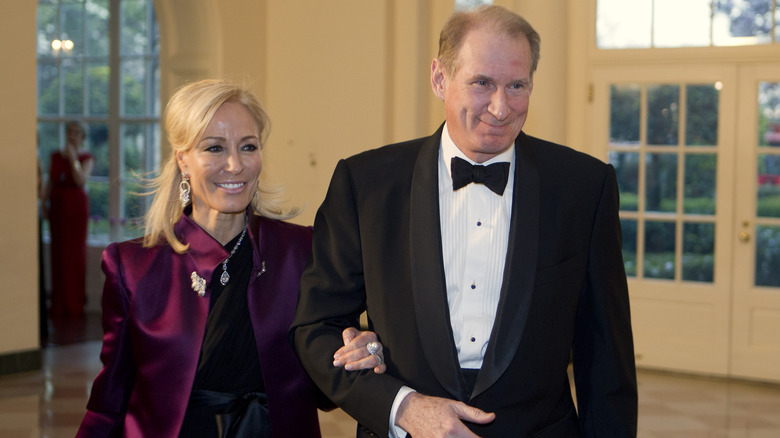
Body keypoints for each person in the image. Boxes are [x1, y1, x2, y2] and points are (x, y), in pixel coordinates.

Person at [291, 5, 637, 437]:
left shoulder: (584, 186)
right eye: (481, 83)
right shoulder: (365, 184)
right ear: (440, 79)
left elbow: (606, 356)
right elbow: (315, 327)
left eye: (517, 85)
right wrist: (401, 407)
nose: (500, 107)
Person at [77, 79, 386, 437]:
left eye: (248, 146)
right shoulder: (132, 267)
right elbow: (108, 404)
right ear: (183, 160)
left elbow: (323, 387)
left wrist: (359, 353)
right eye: (214, 148)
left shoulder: (301, 251)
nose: (235, 165)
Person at [41, 120, 94, 319]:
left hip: (76, 207)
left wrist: (73, 159)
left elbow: (81, 179)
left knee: (74, 253)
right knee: (58, 252)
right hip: (57, 205)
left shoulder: (86, 158)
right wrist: (44, 202)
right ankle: (58, 302)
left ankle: (74, 303)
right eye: (70, 132)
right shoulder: (55, 156)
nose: (73, 136)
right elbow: (49, 180)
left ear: (82, 136)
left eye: (77, 132)